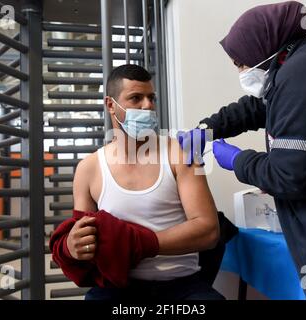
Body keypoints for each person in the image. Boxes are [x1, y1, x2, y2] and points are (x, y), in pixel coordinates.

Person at [178, 1, 306, 300]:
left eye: (240, 62)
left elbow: (291, 176)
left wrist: (238, 160)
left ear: (260, 47)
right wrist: (209, 127)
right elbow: (256, 107)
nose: (242, 70)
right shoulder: (302, 67)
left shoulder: (304, 76)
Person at [51, 64, 225, 300]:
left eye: (151, 97)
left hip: (182, 286)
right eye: (136, 98)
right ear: (111, 105)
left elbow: (208, 231)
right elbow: (84, 238)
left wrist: (140, 243)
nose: (148, 106)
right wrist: (73, 247)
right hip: (118, 288)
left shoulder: (181, 153)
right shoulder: (88, 169)